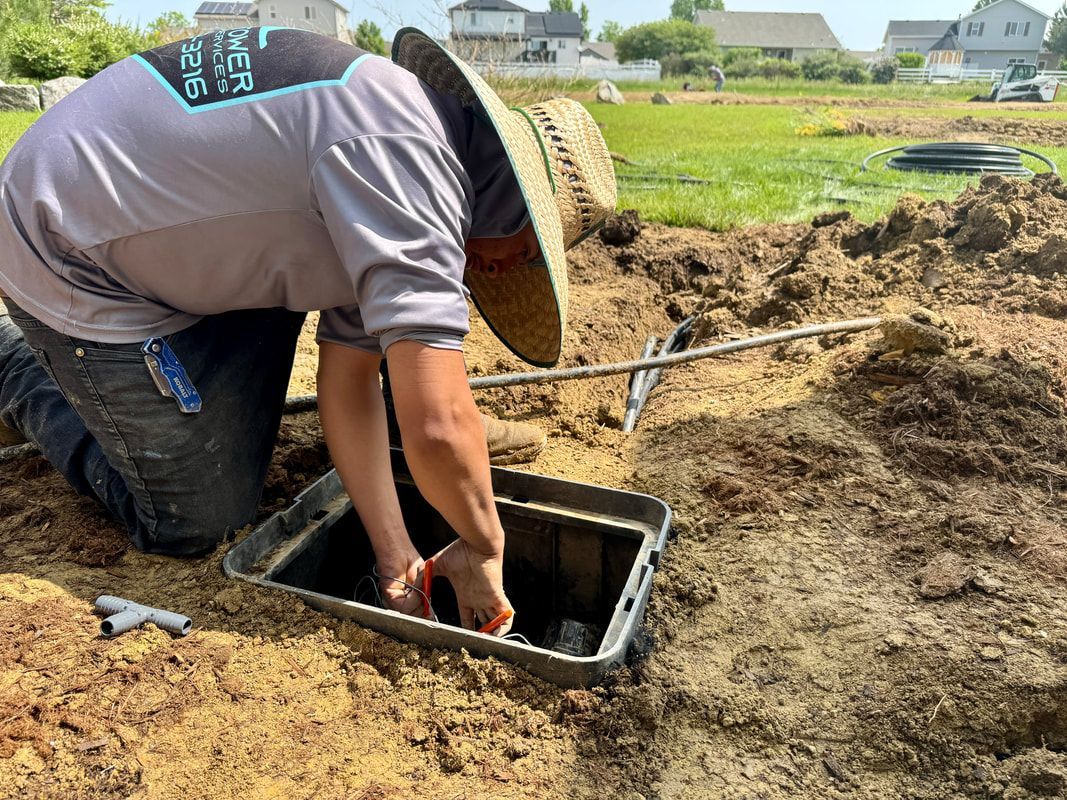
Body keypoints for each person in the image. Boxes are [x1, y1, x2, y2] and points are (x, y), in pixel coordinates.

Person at [0, 27, 615, 635]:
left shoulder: (408, 151)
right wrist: (483, 544)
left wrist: (393, 551)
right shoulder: (408, 168)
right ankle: (15, 364)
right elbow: (437, 425)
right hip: (64, 243)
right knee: (194, 518)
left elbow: (349, 385)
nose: (509, 268)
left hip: (179, 226)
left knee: (274, 423)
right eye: (532, 249)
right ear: (514, 203)